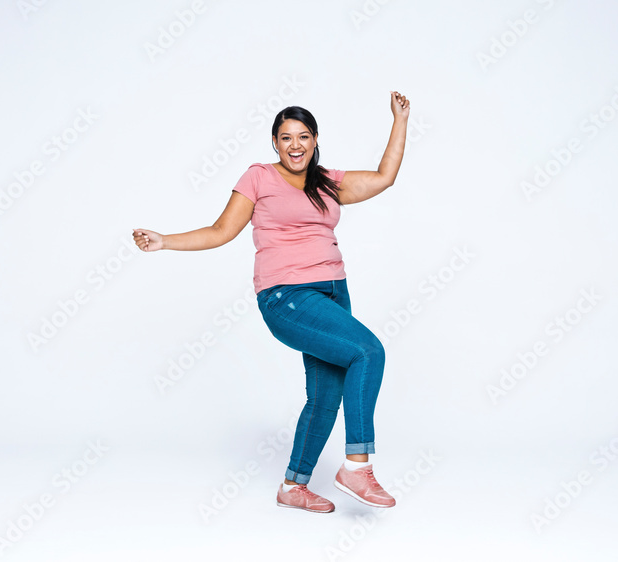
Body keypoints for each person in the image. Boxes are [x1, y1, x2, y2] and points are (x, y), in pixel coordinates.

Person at [133, 91, 410, 513]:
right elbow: (220, 230)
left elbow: (384, 176)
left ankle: (292, 487)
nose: (294, 145)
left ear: (315, 140)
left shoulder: (328, 182)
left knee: (325, 396)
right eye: (285, 138)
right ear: (275, 144)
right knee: (368, 352)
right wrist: (165, 241)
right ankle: (357, 466)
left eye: (302, 136)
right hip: (288, 296)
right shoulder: (258, 177)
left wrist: (400, 119)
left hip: (335, 293)